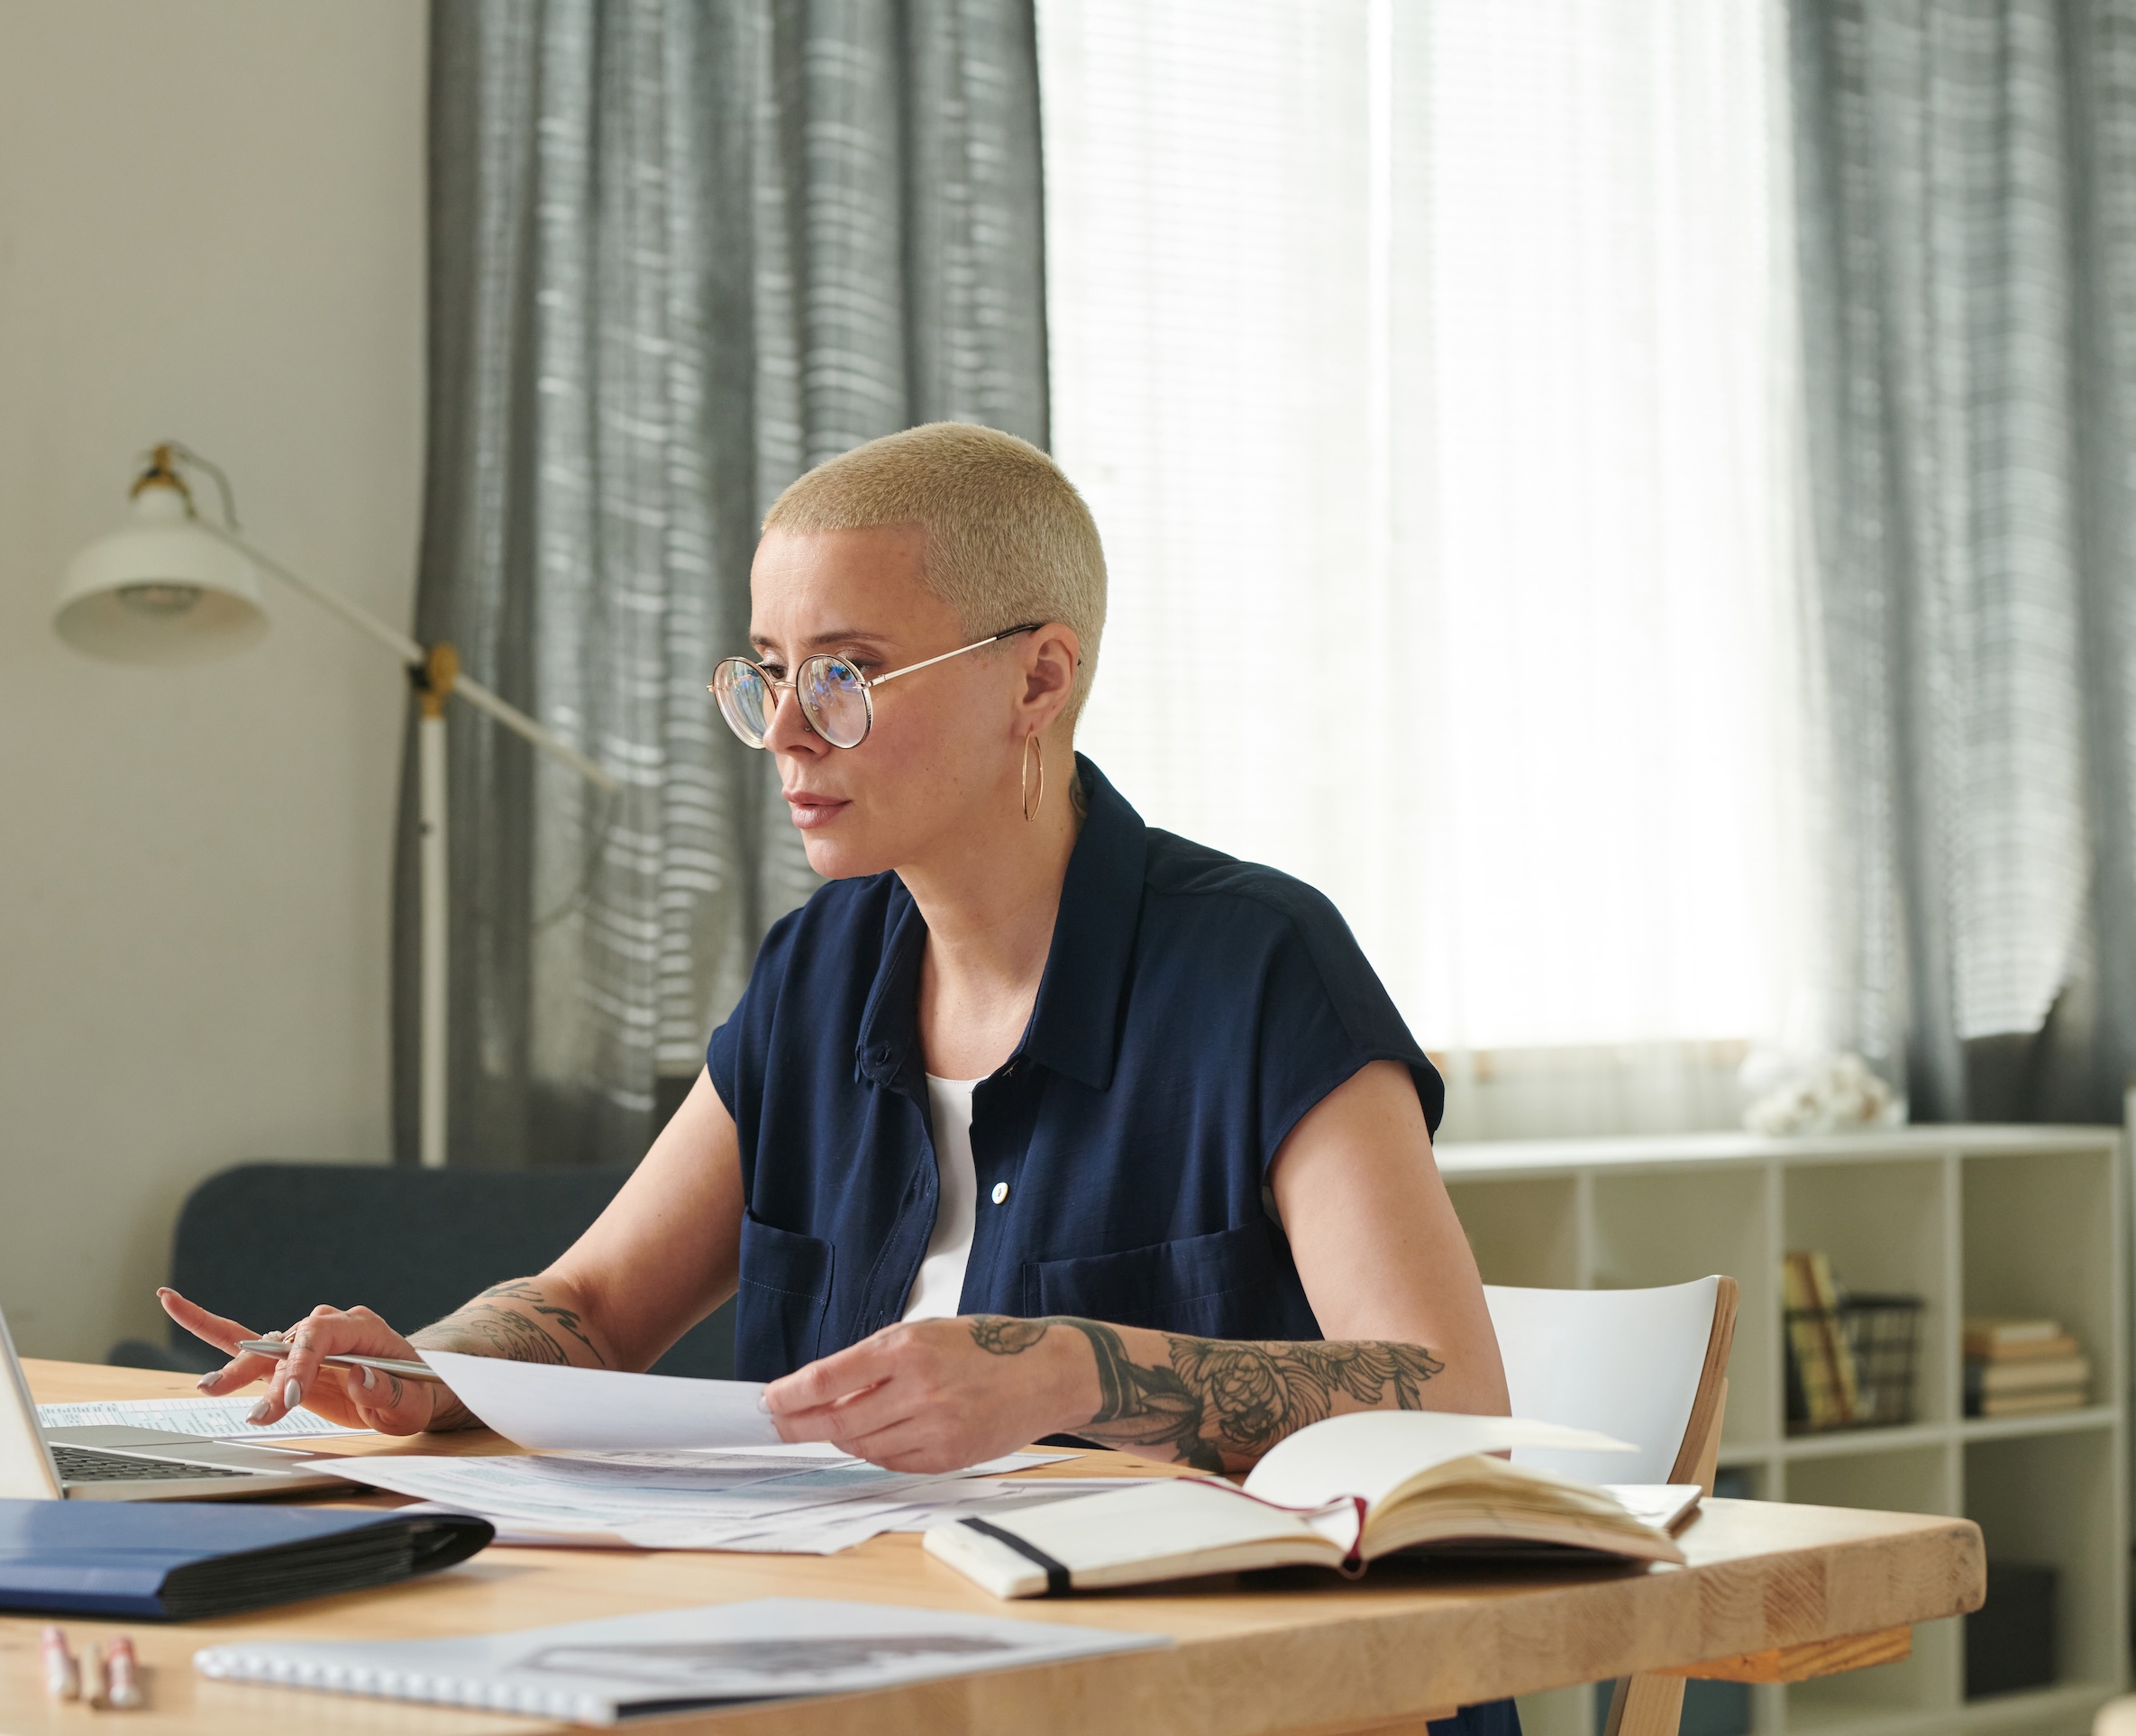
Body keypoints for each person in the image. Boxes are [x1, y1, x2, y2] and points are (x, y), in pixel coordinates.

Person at [162, 419, 1508, 1484]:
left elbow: (1453, 1396)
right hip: (884, 1647)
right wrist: (423, 1368)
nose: (788, 732)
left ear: (1037, 678)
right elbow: (588, 1304)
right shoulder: (819, 970)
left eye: (847, 673)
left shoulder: (1258, 969)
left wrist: (1075, 1368)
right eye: (767, 669)